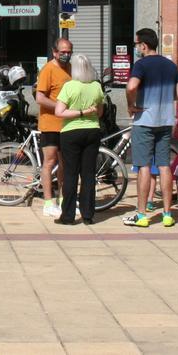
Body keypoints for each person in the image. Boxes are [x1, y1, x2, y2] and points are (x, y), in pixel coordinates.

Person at [123, 28, 178, 228]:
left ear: (144, 45)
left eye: (136, 44)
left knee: (144, 167)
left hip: (144, 120)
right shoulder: (171, 65)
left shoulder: (141, 65)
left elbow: (131, 86)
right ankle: (167, 214)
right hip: (165, 120)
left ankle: (141, 214)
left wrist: (131, 105)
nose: (136, 48)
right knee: (165, 166)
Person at [52, 54, 104, 226]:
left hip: (71, 132)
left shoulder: (69, 86)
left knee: (70, 174)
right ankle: (88, 215)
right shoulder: (96, 86)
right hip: (92, 131)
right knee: (89, 174)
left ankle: (67, 216)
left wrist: (80, 112)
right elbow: (100, 112)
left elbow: (59, 112)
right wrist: (88, 112)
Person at [35, 38, 73, 218]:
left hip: (67, 124)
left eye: (69, 51)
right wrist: (59, 107)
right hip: (50, 123)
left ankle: (64, 200)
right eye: (63, 52)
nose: (66, 55)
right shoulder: (48, 70)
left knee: (65, 163)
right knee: (49, 162)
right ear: (55, 52)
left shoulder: (71, 68)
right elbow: (40, 98)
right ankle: (48, 202)